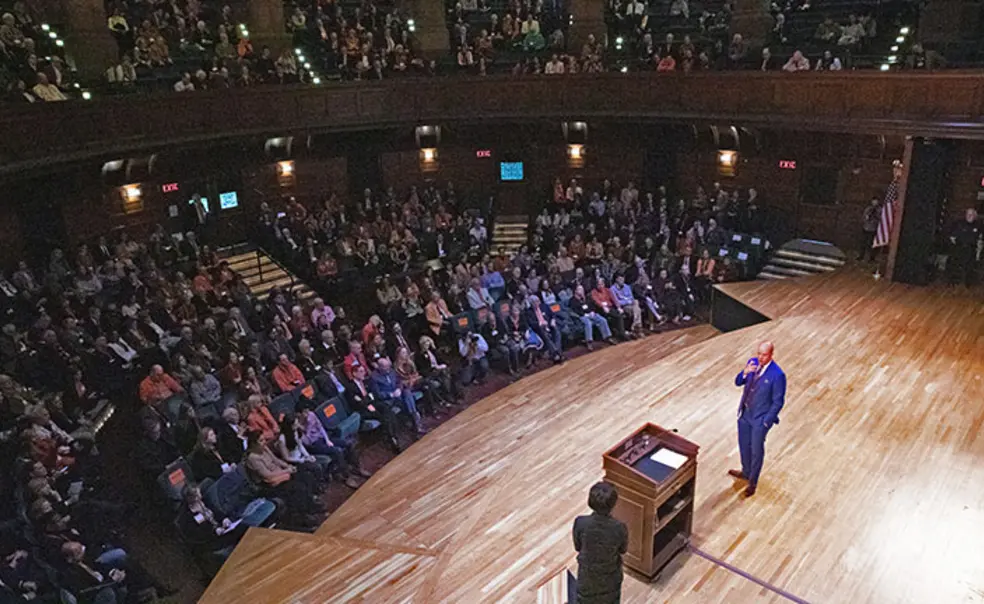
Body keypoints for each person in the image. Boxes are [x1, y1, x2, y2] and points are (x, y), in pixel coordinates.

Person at [729, 341, 786, 497]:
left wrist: (766, 422)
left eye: (764, 355)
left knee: (756, 451)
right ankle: (746, 471)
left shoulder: (777, 375)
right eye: (759, 354)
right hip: (745, 415)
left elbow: (778, 402)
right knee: (743, 445)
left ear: (771, 354)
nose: (760, 358)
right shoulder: (752, 364)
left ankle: (753, 481)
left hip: (760, 419)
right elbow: (738, 382)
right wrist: (745, 373)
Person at [572, 482, 628, 604]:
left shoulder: (580, 523)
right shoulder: (619, 527)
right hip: (610, 581)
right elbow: (623, 550)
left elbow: (578, 547)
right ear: (613, 504)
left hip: (587, 579)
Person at [947, 208, 981, 287]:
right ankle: (954, 281)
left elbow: (979, 237)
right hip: (959, 247)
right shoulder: (959, 223)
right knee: (955, 264)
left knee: (970, 266)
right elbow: (952, 235)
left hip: (971, 248)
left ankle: (968, 282)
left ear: (974, 216)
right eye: (968, 214)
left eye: (971, 214)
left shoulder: (978, 225)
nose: (969, 216)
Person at [859, 197, 881, 262]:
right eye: (874, 201)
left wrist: (876, 216)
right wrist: (867, 217)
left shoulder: (880, 210)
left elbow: (880, 219)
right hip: (866, 228)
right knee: (863, 242)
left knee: (872, 244)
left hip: (874, 228)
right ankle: (861, 256)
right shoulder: (868, 209)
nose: (875, 203)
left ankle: (871, 258)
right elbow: (864, 217)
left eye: (876, 201)